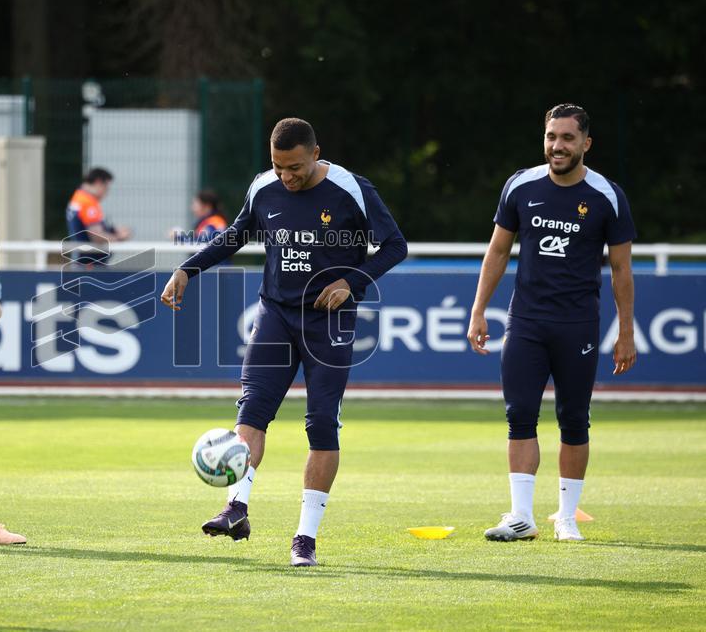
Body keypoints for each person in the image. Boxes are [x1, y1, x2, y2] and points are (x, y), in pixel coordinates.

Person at [160, 118, 408, 566]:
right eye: (277, 166)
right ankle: (236, 508)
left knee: (320, 424)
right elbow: (234, 236)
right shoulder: (264, 188)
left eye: (294, 167)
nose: (286, 177)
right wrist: (187, 268)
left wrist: (353, 280)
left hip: (327, 322)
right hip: (275, 314)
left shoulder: (351, 189)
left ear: (315, 154)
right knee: (251, 411)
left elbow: (395, 246)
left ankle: (305, 539)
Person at [467, 103, 636, 543]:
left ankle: (565, 516)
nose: (556, 146)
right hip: (525, 321)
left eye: (566, 138)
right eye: (550, 137)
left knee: (573, 418)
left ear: (585, 143)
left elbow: (621, 271)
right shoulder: (520, 186)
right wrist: (478, 309)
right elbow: (498, 251)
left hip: (578, 324)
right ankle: (521, 517)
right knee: (519, 415)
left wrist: (626, 332)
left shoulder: (606, 195)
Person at [65, 167, 131, 264]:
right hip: (90, 264)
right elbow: (97, 236)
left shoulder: (79, 197)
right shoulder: (87, 202)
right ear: (98, 182)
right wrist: (119, 237)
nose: (107, 193)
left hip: (83, 260)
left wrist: (113, 231)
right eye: (106, 188)